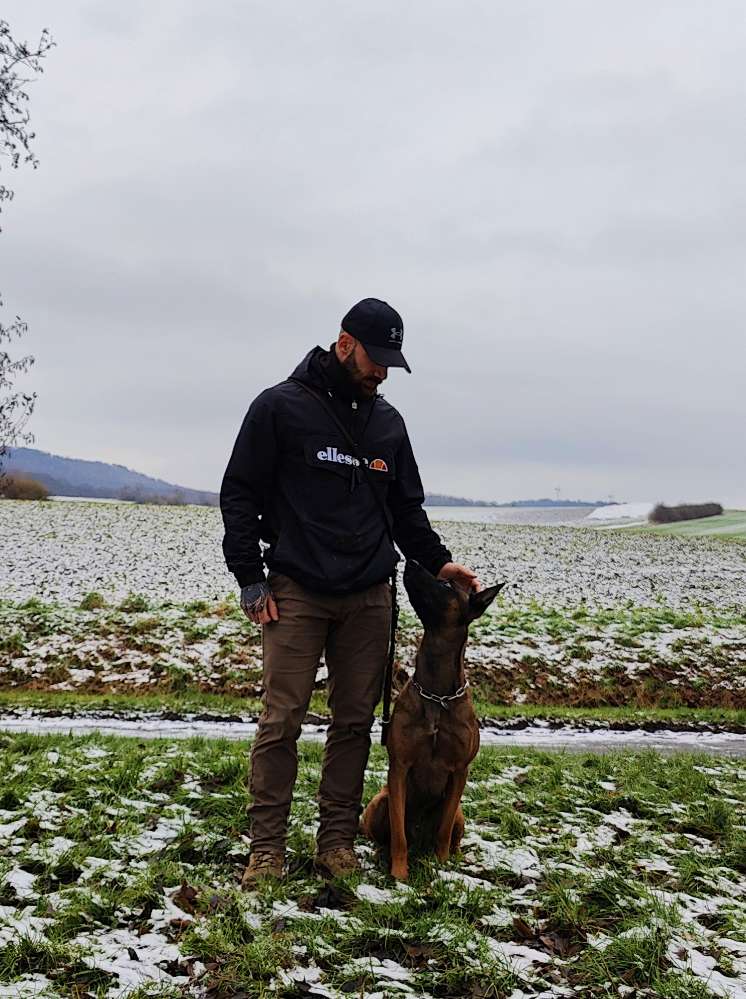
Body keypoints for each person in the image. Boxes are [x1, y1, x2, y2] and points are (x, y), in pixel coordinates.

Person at [219, 297, 480, 886]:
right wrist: (250, 578)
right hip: (295, 591)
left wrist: (441, 565)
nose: (382, 371)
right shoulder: (280, 408)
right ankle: (267, 849)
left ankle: (336, 842)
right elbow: (238, 494)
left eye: (392, 361)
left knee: (355, 723)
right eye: (375, 357)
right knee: (282, 719)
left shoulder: (388, 425)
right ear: (343, 344)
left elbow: (407, 511)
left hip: (368, 594)